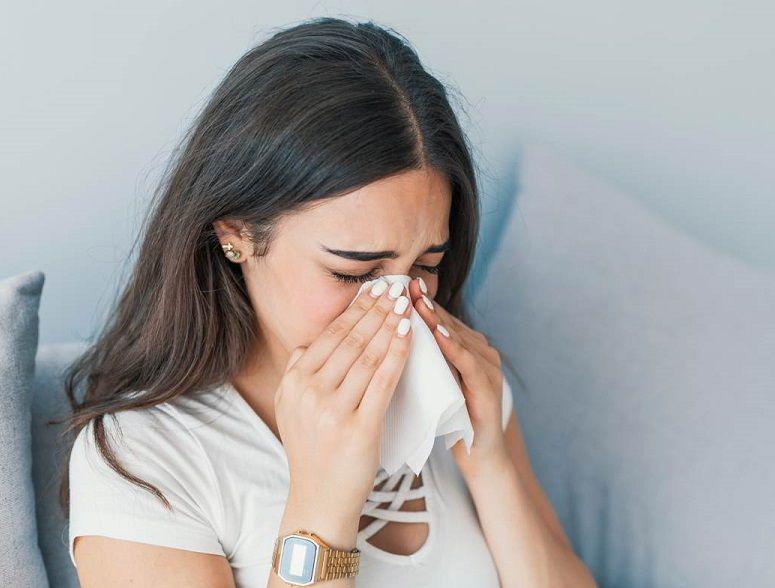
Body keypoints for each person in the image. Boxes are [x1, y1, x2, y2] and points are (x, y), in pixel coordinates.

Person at [60, 16, 596, 587]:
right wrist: (321, 503)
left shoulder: (462, 393)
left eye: (425, 266)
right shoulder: (147, 459)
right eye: (353, 272)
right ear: (237, 236)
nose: (398, 305)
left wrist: (491, 464)